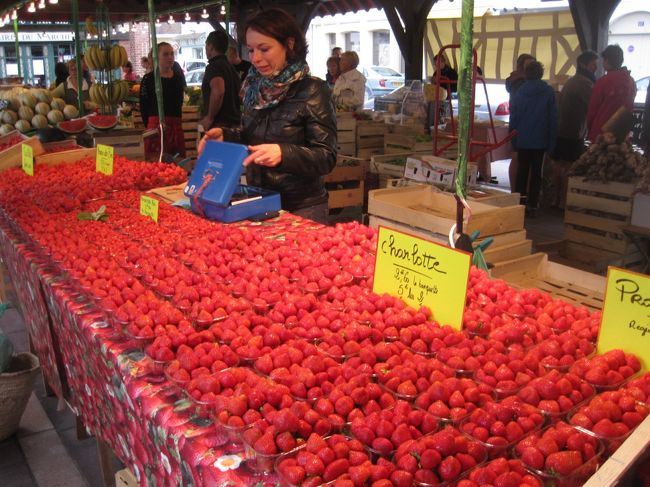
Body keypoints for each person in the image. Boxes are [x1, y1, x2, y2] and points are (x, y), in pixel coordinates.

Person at [198, 8, 336, 224]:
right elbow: (251, 134)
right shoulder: (255, 88)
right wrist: (226, 135)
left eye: (264, 49)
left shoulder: (312, 90)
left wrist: (284, 153)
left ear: (289, 45)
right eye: (251, 50)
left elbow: (326, 157)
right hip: (258, 200)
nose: (255, 58)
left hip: (302, 206)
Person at [551, 50, 598, 208]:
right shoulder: (586, 84)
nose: (595, 68)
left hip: (561, 129)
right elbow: (592, 108)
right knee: (570, 166)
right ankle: (564, 201)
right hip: (574, 131)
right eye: (593, 64)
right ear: (584, 64)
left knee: (559, 164)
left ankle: (555, 198)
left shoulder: (571, 82)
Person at [509, 61, 557, 217]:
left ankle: (520, 202)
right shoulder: (549, 92)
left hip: (522, 138)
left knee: (522, 172)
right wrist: (551, 143)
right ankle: (533, 204)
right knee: (537, 173)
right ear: (541, 74)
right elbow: (553, 119)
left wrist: (513, 140)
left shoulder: (519, 92)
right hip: (540, 140)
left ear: (526, 74)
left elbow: (514, 117)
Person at [139, 42, 186, 160]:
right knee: (155, 165)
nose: (170, 57)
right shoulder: (148, 79)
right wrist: (151, 127)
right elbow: (143, 105)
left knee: (177, 165)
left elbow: (179, 103)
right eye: (165, 54)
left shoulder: (178, 78)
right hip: (155, 128)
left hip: (175, 127)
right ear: (156, 57)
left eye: (172, 54)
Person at [586, 44, 637, 143]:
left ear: (607, 61)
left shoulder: (603, 82)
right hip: (621, 135)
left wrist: (590, 129)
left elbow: (592, 109)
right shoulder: (631, 82)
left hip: (601, 135)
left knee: (599, 158)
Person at [200, 31, 242, 132]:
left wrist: (209, 117)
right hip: (234, 124)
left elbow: (218, 91)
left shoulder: (213, 66)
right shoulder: (230, 67)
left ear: (210, 46)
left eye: (206, 45)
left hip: (219, 126)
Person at [505, 53, 536, 193]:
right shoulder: (518, 82)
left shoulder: (518, 81)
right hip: (520, 123)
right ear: (521, 66)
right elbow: (521, 104)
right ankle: (515, 191)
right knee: (517, 157)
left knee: (521, 158)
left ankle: (520, 191)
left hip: (522, 122)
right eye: (529, 65)